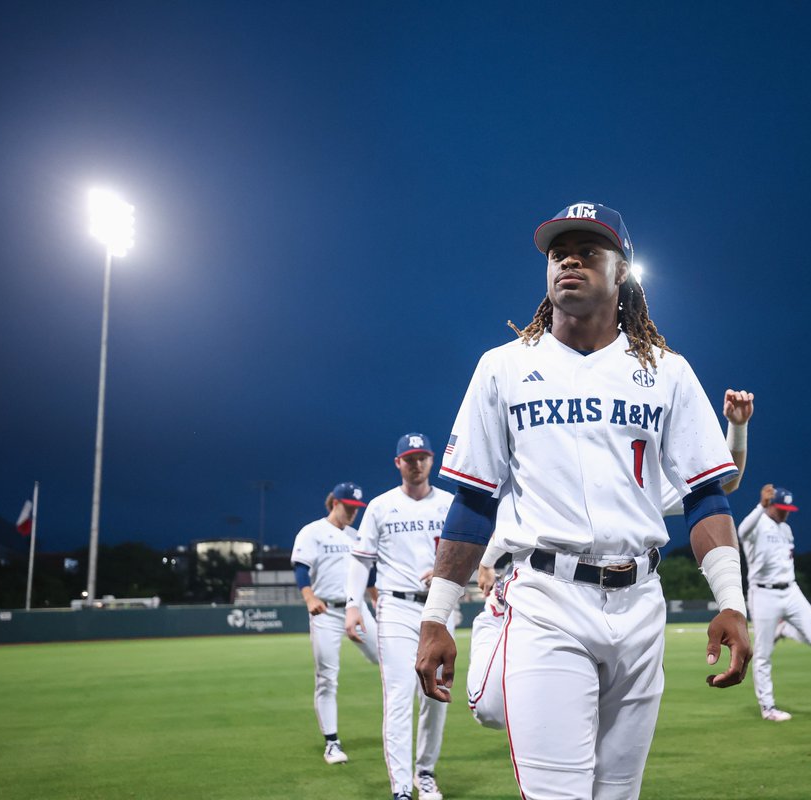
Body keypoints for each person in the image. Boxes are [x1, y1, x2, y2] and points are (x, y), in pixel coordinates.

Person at [414, 201, 754, 800]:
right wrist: (437, 615)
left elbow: (706, 495)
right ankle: (498, 627)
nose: (568, 260)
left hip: (642, 602)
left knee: (617, 793)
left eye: (588, 251)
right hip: (548, 595)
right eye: (558, 253)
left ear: (622, 271)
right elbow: (472, 502)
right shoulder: (503, 367)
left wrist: (731, 601)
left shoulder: (667, 371)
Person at [466, 389, 756, 730]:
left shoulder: (640, 479)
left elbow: (721, 482)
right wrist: (487, 561)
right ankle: (495, 615)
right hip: (551, 593)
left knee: (596, 729)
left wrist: (738, 428)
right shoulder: (554, 467)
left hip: (630, 602)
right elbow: (512, 518)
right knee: (493, 710)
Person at [345, 434, 454, 800]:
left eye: (422, 457)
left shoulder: (449, 504)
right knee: (398, 694)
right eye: (409, 458)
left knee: (436, 695)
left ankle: (425, 772)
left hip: (439, 607)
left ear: (432, 459)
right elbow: (361, 560)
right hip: (395, 606)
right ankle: (402, 788)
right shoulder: (380, 506)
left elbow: (469, 553)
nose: (416, 464)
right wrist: (353, 605)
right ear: (398, 463)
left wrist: (448, 573)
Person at [291, 481, 380, 765]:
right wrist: (309, 598)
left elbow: (370, 573)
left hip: (357, 608)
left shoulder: (357, 536)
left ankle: (398, 725)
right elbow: (301, 569)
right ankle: (331, 742)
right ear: (334, 503)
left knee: (387, 658)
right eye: (349, 507)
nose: (353, 512)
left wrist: (377, 599)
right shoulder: (312, 532)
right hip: (326, 612)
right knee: (327, 678)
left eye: (357, 508)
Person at [736, 483, 811, 721]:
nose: (786, 513)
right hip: (763, 593)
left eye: (788, 509)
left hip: (791, 589)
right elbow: (741, 531)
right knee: (763, 654)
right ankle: (768, 707)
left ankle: (783, 629)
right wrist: (760, 506)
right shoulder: (757, 523)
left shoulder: (786, 528)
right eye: (781, 508)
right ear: (771, 505)